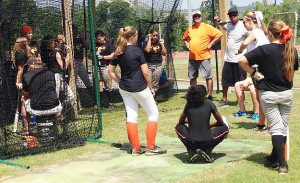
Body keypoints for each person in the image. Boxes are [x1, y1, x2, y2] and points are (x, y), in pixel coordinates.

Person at [239, 19, 299, 174]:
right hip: (286, 94)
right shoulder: (292, 50)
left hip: (269, 94)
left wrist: (255, 74)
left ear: (270, 34)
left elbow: (241, 60)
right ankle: (274, 157)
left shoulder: (264, 49)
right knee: (282, 128)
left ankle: (282, 164)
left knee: (276, 129)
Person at [108, 26, 166, 156]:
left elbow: (111, 71)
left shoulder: (119, 51)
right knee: (153, 114)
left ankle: (136, 148)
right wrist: (150, 87)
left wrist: (121, 82)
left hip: (125, 89)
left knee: (132, 115)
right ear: (133, 37)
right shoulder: (137, 51)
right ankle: (151, 147)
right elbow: (146, 72)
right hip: (139, 87)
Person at [234, 11, 269, 131]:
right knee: (261, 98)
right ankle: (261, 124)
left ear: (250, 21)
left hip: (260, 68)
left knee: (263, 97)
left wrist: (239, 50)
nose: (243, 25)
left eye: (244, 22)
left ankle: (267, 125)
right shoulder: (259, 32)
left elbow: (245, 43)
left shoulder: (255, 32)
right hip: (259, 67)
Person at [175, 85, 229, 163]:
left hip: (191, 141)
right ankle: (207, 151)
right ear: (203, 95)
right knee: (225, 128)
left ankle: (191, 151)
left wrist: (191, 120)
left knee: (178, 127)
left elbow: (181, 122)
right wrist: (210, 126)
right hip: (207, 141)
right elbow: (221, 122)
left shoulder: (189, 104)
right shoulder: (209, 103)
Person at [183, 10, 223, 101]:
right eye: (195, 16)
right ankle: (194, 95)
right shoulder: (190, 28)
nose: (197, 17)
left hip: (204, 57)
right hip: (192, 58)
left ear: (201, 17)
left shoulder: (207, 27)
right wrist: (187, 45)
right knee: (192, 77)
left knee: (208, 77)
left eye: (198, 16)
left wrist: (211, 44)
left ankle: (209, 95)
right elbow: (185, 38)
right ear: (193, 18)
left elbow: (219, 34)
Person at [215, 8, 248, 107]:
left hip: (240, 59)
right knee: (225, 80)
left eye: (234, 15)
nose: (232, 18)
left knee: (240, 81)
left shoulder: (244, 26)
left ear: (238, 15)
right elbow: (222, 24)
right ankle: (224, 100)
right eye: (231, 16)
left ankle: (240, 100)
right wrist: (219, 20)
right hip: (228, 58)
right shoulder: (228, 25)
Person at [22, 61, 62, 144]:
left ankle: (27, 131)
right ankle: (58, 124)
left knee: (23, 100)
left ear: (29, 67)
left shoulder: (26, 76)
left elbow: (26, 96)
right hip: (55, 108)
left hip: (36, 110)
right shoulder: (50, 73)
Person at [14, 37, 34, 133]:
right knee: (26, 101)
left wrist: (18, 81)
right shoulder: (24, 53)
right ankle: (27, 127)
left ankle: (27, 128)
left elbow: (20, 69)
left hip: (25, 79)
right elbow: (22, 68)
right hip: (29, 79)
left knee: (24, 102)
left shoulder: (20, 53)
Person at [73, 26, 95, 105]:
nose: (75, 33)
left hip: (80, 62)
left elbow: (87, 47)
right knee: (73, 83)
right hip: (73, 62)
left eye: (76, 31)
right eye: (73, 31)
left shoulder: (79, 40)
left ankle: (94, 101)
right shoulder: (69, 41)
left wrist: (82, 37)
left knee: (87, 81)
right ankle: (76, 103)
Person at [95, 30, 115, 108]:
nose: (99, 40)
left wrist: (103, 57)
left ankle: (111, 103)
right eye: (97, 39)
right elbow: (90, 56)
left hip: (106, 66)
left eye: (100, 39)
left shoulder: (108, 44)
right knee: (98, 85)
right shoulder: (96, 45)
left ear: (103, 36)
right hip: (97, 67)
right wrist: (95, 53)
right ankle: (101, 103)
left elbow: (112, 55)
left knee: (108, 85)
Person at [143, 28, 167, 93]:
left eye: (156, 35)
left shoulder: (159, 43)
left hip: (158, 65)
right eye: (154, 35)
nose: (155, 37)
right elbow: (147, 50)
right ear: (151, 35)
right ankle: (147, 99)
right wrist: (149, 39)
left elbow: (164, 53)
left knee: (155, 83)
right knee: (148, 82)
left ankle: (153, 98)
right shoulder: (146, 43)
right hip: (149, 65)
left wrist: (162, 44)